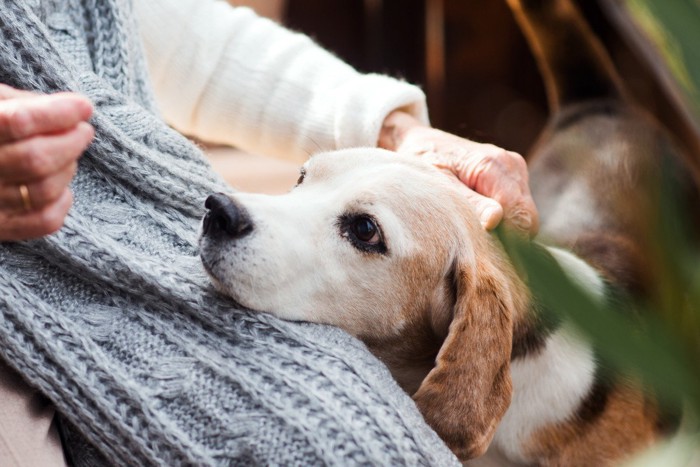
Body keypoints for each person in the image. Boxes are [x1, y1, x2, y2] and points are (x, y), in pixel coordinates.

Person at [0, 0, 537, 465]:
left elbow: (186, 42)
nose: (235, 211)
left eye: (364, 230)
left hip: (144, 221)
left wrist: (399, 131)